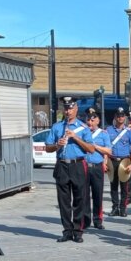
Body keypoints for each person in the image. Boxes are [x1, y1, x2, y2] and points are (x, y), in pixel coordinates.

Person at [45, 96, 95, 243]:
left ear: (76, 109)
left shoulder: (83, 128)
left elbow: (91, 149)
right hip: (62, 165)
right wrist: (57, 145)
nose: (68, 111)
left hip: (78, 164)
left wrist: (76, 138)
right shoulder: (57, 127)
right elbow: (48, 147)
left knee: (80, 199)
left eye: (70, 108)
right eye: (66, 108)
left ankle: (78, 231)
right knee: (63, 200)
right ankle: (67, 231)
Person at [81, 107, 112, 231]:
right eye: (89, 120)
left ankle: (98, 220)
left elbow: (108, 150)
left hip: (97, 166)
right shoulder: (83, 132)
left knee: (97, 194)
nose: (90, 122)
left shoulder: (103, 134)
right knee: (84, 195)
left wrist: (95, 146)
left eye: (93, 120)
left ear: (98, 121)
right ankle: (86, 219)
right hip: (84, 165)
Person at [106, 107, 131, 216]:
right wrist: (105, 162)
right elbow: (106, 146)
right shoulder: (108, 130)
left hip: (125, 160)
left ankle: (123, 208)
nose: (120, 118)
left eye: (122, 116)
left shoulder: (129, 132)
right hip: (112, 160)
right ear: (115, 117)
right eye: (118, 116)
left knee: (125, 187)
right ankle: (115, 208)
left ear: (125, 117)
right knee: (113, 185)